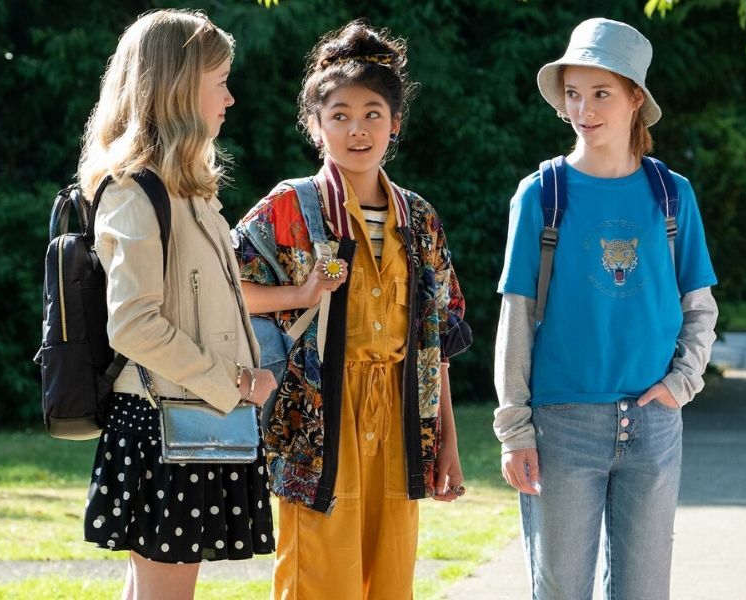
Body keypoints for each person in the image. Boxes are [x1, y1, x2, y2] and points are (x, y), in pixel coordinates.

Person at [232, 20, 472, 599]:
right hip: (317, 418)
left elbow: (435, 340)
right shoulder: (292, 206)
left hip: (399, 416)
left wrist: (449, 446)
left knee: (391, 583)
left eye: (372, 113)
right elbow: (226, 291)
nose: (356, 129)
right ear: (315, 126)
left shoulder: (419, 220)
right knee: (318, 580)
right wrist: (298, 294)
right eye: (338, 114)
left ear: (395, 124)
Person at [493, 17, 718, 600]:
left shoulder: (672, 195)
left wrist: (682, 382)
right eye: (573, 94)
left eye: (601, 94)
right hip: (562, 424)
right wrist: (514, 428)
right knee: (561, 591)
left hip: (654, 424)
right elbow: (516, 317)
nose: (583, 110)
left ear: (635, 99)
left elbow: (699, 306)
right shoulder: (541, 194)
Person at [80, 9, 277, 599]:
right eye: (219, 81)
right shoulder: (134, 191)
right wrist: (235, 380)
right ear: (179, 87)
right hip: (164, 425)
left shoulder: (184, 189)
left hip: (186, 419)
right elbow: (135, 326)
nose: (231, 97)